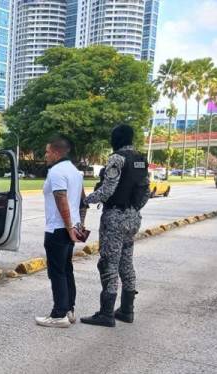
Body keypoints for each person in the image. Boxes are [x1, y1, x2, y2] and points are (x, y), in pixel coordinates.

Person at [81, 124, 149, 327]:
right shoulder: (140, 160)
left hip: (115, 218)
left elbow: (107, 190)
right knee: (126, 263)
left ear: (115, 139)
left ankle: (106, 313)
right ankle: (127, 310)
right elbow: (146, 191)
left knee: (109, 263)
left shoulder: (117, 159)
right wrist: (133, 209)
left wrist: (86, 200)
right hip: (133, 217)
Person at [35, 135, 83, 328]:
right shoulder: (74, 171)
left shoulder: (56, 171)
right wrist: (78, 225)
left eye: (47, 152)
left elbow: (61, 199)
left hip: (58, 228)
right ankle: (69, 309)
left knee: (57, 272)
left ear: (55, 152)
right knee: (66, 269)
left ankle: (59, 314)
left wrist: (70, 227)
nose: (45, 155)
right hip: (70, 227)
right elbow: (82, 201)